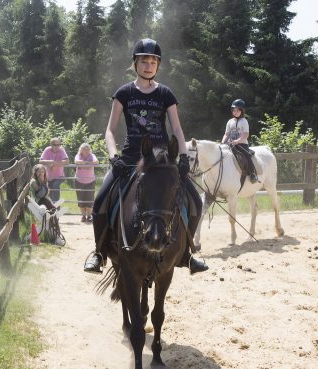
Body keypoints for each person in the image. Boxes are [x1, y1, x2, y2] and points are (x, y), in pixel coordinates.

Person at [83, 38, 208, 274]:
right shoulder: (124, 93)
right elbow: (110, 130)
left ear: (158, 65)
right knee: (100, 201)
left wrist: (182, 158)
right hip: (129, 160)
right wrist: (114, 157)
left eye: (153, 61)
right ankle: (99, 254)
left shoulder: (165, 94)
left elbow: (177, 129)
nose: (148, 65)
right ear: (135, 63)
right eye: (144, 61)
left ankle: (186, 254)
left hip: (160, 164)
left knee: (195, 201)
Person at [221, 98, 259, 185]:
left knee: (246, 156)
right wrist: (223, 142)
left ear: (241, 111)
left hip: (242, 144)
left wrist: (237, 141)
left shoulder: (244, 121)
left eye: (237, 110)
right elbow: (226, 134)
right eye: (234, 110)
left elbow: (246, 135)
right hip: (230, 144)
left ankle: (252, 174)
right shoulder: (230, 122)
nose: (235, 112)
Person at [74, 143, 99, 222]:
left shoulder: (92, 155)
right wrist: (88, 163)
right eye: (85, 149)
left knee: (90, 199)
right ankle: (83, 216)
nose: (87, 151)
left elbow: (96, 162)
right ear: (81, 150)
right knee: (81, 199)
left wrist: (85, 163)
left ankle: (89, 215)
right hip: (79, 181)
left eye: (88, 149)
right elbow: (76, 161)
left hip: (90, 181)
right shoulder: (78, 155)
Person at [39, 137, 69, 202]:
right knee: (49, 192)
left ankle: (56, 207)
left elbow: (67, 161)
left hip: (59, 176)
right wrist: (51, 162)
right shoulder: (47, 150)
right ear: (51, 145)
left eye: (59, 144)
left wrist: (54, 164)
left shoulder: (61, 150)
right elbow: (40, 161)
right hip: (48, 177)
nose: (57, 146)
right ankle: (51, 208)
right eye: (55, 145)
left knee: (55, 187)